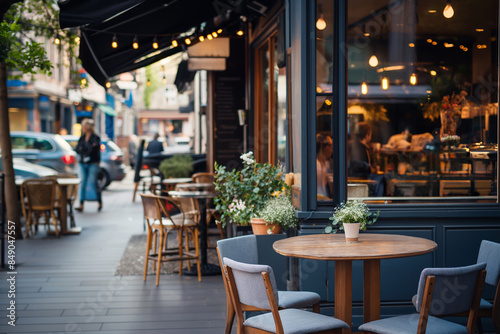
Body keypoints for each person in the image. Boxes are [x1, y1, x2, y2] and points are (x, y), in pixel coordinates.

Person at [348, 122, 385, 196]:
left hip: (356, 179)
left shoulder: (357, 146)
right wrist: (371, 169)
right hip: (360, 180)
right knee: (382, 178)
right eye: (370, 134)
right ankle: (378, 201)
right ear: (367, 135)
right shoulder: (360, 148)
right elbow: (358, 165)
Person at [75, 119, 102, 212]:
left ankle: (99, 201)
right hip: (83, 163)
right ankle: (81, 203)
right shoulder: (82, 138)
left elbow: (96, 151)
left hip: (93, 163)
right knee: (82, 183)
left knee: (93, 182)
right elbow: (77, 149)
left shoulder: (95, 138)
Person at [316, 133, 333, 198]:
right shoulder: (317, 166)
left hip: (323, 197)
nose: (332, 148)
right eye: (330, 145)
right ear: (323, 147)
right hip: (320, 198)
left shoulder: (325, 163)